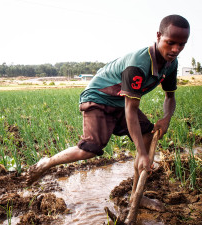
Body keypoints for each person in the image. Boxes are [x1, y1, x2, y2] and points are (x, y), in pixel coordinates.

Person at [26, 14, 190, 209]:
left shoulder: (171, 64)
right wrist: (142, 153)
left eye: (182, 45)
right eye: (170, 43)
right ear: (158, 36)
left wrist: (166, 119)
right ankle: (46, 163)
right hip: (98, 98)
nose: (175, 50)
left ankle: (137, 196)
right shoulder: (137, 65)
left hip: (120, 101)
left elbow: (170, 97)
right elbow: (131, 110)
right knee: (90, 149)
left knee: (147, 133)